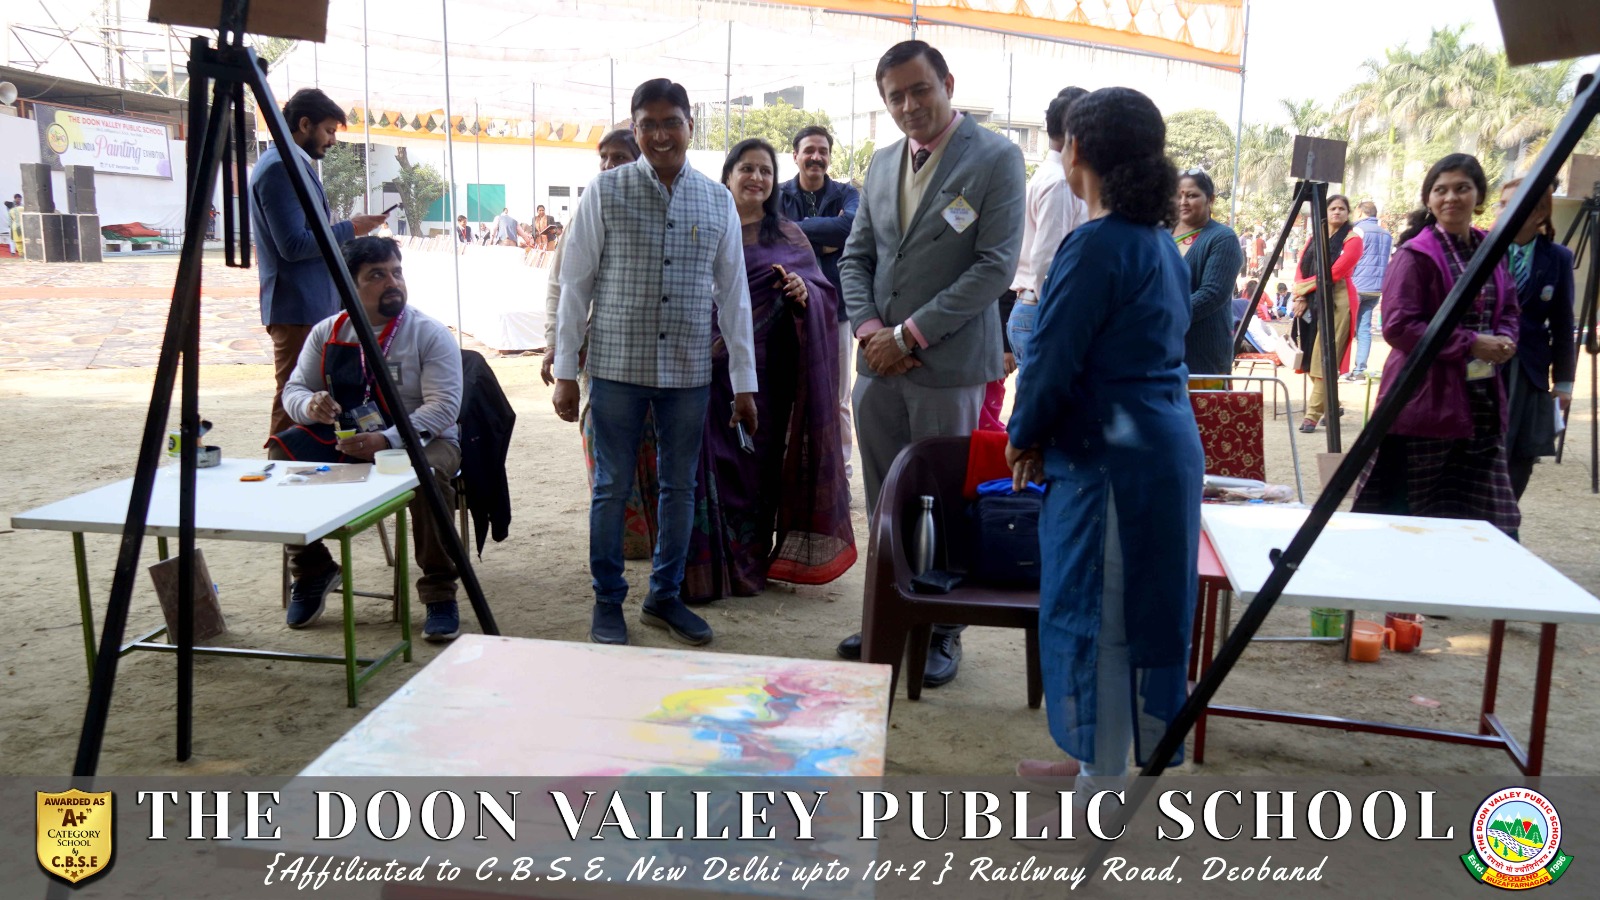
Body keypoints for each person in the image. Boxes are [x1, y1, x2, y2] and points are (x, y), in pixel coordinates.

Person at [1005, 87, 1202, 788]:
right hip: (1155, 449)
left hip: (1112, 462)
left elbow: (1053, 357)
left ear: (1076, 150)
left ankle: (1099, 795)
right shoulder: (1158, 243)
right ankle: (1097, 762)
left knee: (1100, 619)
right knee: (1132, 613)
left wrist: (1023, 435)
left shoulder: (1094, 244)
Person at [833, 39, 1025, 686]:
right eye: (896, 97)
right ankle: (891, 612)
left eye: (920, 90)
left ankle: (944, 628)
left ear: (947, 83)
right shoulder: (883, 161)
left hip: (948, 366)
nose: (909, 106)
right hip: (877, 367)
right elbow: (857, 257)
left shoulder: (995, 157)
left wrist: (908, 336)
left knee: (945, 497)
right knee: (885, 498)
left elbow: (993, 266)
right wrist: (871, 333)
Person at [552, 78, 758, 648]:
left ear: (690, 125)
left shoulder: (716, 199)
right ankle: (608, 600)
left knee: (679, 488)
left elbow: (734, 295)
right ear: (635, 128)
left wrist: (744, 383)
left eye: (672, 123)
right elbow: (575, 283)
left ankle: (664, 597)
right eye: (648, 125)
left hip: (688, 370)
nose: (661, 135)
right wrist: (565, 371)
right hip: (616, 366)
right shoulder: (606, 191)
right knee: (611, 487)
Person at [684, 139, 856, 600]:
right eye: (747, 168)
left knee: (755, 468)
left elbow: (823, 292)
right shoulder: (705, 226)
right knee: (708, 465)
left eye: (765, 170)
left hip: (766, 374)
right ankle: (708, 565)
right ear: (728, 175)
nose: (756, 178)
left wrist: (805, 291)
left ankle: (749, 563)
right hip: (704, 369)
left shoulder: (789, 235)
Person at [270, 236, 466, 640]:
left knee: (427, 475)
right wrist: (311, 406)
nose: (392, 282)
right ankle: (313, 569)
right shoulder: (328, 331)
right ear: (349, 284)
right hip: (347, 438)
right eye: (377, 275)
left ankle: (439, 591)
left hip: (424, 439)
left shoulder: (428, 333)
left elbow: (443, 407)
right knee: (282, 451)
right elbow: (294, 391)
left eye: (396, 272)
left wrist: (388, 440)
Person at [1351, 154, 1520, 537]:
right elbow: (1399, 326)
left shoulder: (1490, 249)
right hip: (1426, 401)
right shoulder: (1416, 254)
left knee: (1484, 517)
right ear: (1428, 199)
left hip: (1481, 401)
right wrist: (1471, 344)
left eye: (1462, 188)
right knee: (1418, 514)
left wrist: (1506, 339)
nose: (1451, 198)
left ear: (1479, 196)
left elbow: (1509, 305)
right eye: (1441, 190)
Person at [540, 129, 660, 562]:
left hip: (655, 352)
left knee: (653, 444)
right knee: (602, 438)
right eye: (604, 158)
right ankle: (624, 542)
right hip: (597, 350)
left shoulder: (662, 205)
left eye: (620, 157)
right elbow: (562, 284)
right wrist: (556, 346)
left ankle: (658, 537)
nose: (609, 166)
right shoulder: (588, 208)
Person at [250, 88, 388, 439]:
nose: (332, 140)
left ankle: (298, 462)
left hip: (309, 302)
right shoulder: (280, 168)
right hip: (297, 304)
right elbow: (294, 245)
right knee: (294, 397)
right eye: (328, 131)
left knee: (312, 397)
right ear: (304, 124)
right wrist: (350, 229)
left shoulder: (289, 163)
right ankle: (281, 459)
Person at [777, 125, 861, 482]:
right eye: (809, 150)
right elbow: (771, 232)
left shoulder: (847, 193)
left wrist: (796, 230)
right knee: (787, 395)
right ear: (795, 155)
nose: (816, 157)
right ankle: (786, 474)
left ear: (829, 157)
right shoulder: (778, 194)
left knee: (837, 397)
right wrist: (827, 235)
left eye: (823, 151)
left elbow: (852, 228)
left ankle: (840, 475)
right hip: (786, 309)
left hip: (835, 311)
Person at [1497, 176, 1576, 500]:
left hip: (1529, 369)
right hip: (1484, 364)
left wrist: (1564, 382)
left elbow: (1562, 323)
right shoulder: (1481, 250)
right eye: (1502, 204)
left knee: (1520, 453)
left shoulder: (1558, 258)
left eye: (1513, 204)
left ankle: (1505, 515)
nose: (1503, 211)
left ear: (1539, 213)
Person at [1008, 86, 1089, 372]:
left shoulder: (1053, 177)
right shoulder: (1060, 183)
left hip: (1037, 307)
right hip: (1043, 309)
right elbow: (1048, 260)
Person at [1292, 194, 1364, 433]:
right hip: (1312, 300)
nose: (1337, 212)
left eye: (1342, 208)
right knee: (1310, 356)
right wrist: (1301, 296)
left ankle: (1312, 415)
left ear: (1348, 213)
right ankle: (1333, 405)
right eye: (1333, 208)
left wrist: (1301, 289)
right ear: (1325, 212)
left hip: (1338, 302)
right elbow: (1301, 268)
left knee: (1324, 358)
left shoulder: (1353, 240)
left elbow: (1334, 273)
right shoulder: (1315, 237)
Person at [1172, 169, 1242, 379]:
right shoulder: (1162, 234)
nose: (1183, 202)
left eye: (1192, 195)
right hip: (1162, 351)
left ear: (1210, 199)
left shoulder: (1222, 238)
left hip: (1203, 355)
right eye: (1178, 195)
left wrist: (1163, 317)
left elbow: (1211, 295)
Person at [1346, 200, 1394, 381]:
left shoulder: (1358, 231)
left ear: (1360, 212)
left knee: (1345, 328)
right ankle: (1359, 370)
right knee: (1364, 329)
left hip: (1357, 286)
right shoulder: (1387, 234)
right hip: (1376, 288)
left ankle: (1340, 368)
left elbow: (1351, 258)